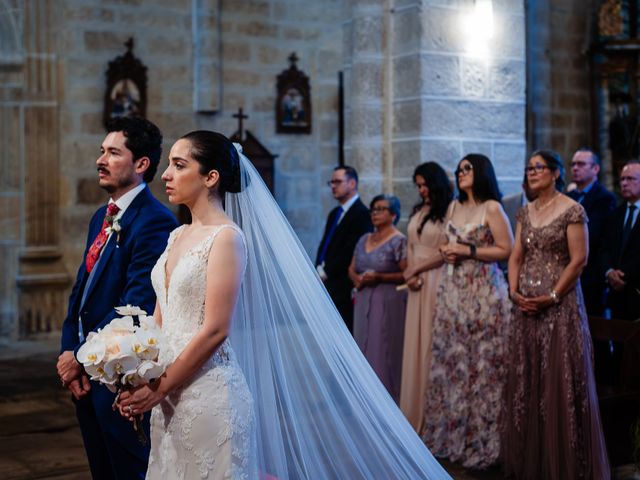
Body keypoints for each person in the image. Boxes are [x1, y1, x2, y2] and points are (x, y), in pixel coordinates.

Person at [117, 131, 452, 479]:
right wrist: (137, 376)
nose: (166, 174)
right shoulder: (176, 235)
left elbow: (216, 329)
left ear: (210, 177)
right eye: (169, 164)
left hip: (206, 395)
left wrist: (160, 386)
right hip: (166, 396)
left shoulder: (227, 237)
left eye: (178, 165)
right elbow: (161, 316)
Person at [57, 117, 178, 479]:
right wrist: (69, 351)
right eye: (101, 151)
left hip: (117, 374)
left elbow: (135, 305)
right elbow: (82, 292)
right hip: (85, 369)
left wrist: (80, 358)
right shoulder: (102, 216)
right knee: (100, 468)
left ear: (141, 164)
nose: (101, 159)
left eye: (113, 152)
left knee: (127, 469)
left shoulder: (154, 221)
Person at [503, 149, 610, 479]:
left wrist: (551, 296)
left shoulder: (572, 209)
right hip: (526, 306)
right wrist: (513, 290)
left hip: (560, 307)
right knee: (528, 379)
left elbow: (579, 259)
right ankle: (530, 461)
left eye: (539, 168)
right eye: (529, 168)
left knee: (557, 379)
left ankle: (564, 463)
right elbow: (516, 255)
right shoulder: (525, 212)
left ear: (555, 173)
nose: (532, 173)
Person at [422, 154, 513, 469]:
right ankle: (452, 438)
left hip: (483, 292)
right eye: (458, 170)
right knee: (453, 365)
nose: (460, 173)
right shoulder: (452, 207)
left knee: (483, 369)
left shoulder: (493, 208)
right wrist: (447, 251)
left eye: (467, 169)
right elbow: (449, 243)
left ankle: (485, 443)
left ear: (481, 172)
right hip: (454, 292)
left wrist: (468, 250)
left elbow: (506, 249)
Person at [399, 162, 452, 432]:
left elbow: (445, 250)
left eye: (424, 184)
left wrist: (417, 269)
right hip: (416, 279)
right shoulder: (419, 211)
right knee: (414, 343)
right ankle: (411, 411)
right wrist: (410, 273)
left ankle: (431, 416)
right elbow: (410, 244)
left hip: (435, 278)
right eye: (418, 185)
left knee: (431, 342)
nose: (421, 190)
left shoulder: (448, 212)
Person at [349, 194, 407, 402]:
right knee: (362, 343)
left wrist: (380, 276)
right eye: (373, 209)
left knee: (381, 347)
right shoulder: (364, 239)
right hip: (363, 296)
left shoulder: (398, 241)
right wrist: (357, 279)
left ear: (393, 214)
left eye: (381, 209)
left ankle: (386, 398)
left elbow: (406, 273)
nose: (375, 212)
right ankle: (363, 398)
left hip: (386, 298)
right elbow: (352, 267)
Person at [316, 165, 373, 332]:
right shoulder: (335, 212)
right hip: (328, 282)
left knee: (344, 331)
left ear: (352, 183)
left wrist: (326, 272)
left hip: (343, 284)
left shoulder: (362, 214)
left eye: (338, 182)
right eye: (331, 182)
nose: (333, 186)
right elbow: (326, 242)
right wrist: (318, 266)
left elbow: (351, 249)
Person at [567, 148, 616, 316]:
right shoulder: (569, 196)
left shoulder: (604, 197)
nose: (575, 168)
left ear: (595, 169)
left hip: (590, 274)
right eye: (573, 164)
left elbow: (594, 233)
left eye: (581, 164)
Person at [600, 160, 640, 321]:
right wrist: (609, 272)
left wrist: (625, 276)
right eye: (622, 179)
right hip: (617, 297)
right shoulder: (615, 214)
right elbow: (603, 248)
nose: (624, 183)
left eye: (630, 179)